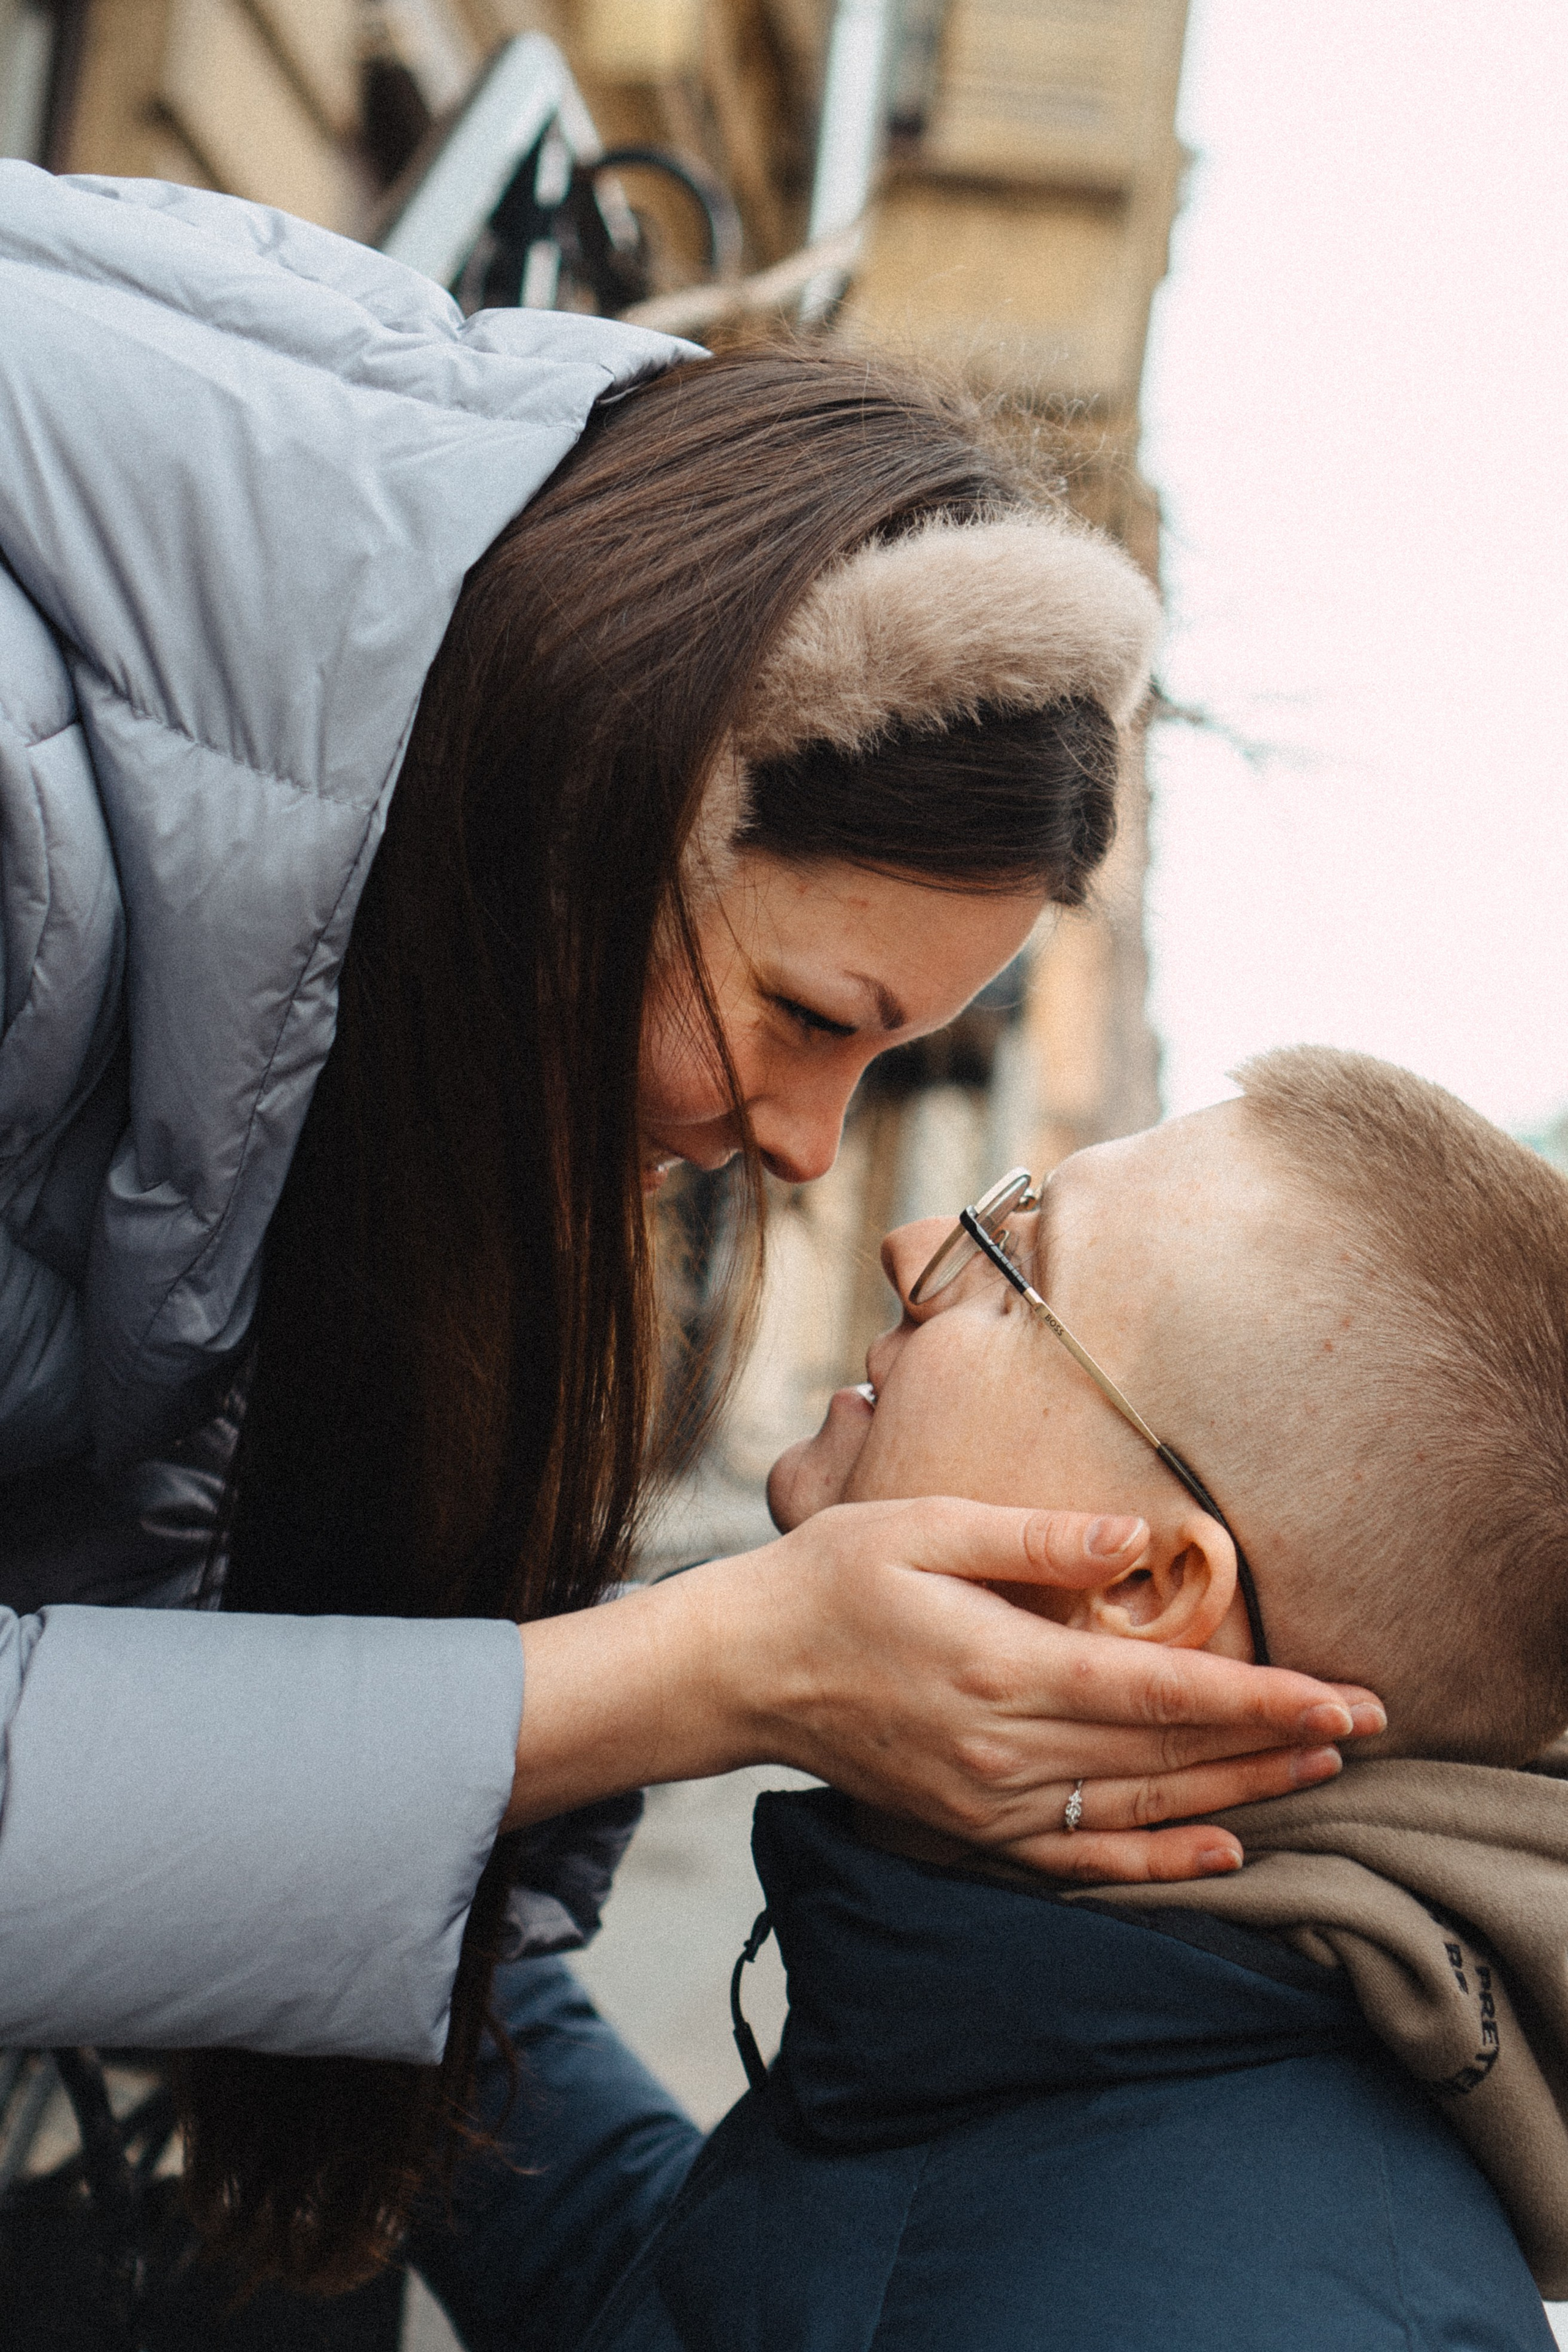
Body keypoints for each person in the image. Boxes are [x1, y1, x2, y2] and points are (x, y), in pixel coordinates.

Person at [0, 164, 1382, 2303]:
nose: (831, 1167)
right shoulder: (41, 820)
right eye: (809, 1018)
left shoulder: (349, 974)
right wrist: (711, 1668)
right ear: (612, 783)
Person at [582, 1048, 1568, 2352]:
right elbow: (743, 2289)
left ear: (1142, 1584)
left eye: (1016, 1269)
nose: (911, 1239)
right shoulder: (1078, 2024)